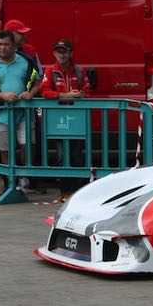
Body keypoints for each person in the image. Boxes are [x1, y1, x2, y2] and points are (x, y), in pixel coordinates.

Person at [0, 31, 41, 171]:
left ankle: (26, 178)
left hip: (25, 114)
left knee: (28, 148)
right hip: (1, 116)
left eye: (6, 44)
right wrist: (2, 95)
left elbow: (37, 81)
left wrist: (30, 93)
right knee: (6, 151)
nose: (2, 48)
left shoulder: (26, 62)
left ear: (14, 46)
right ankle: (9, 180)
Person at [40, 39, 93, 196]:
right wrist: (65, 95)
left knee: (77, 153)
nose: (61, 55)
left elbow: (87, 91)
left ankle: (78, 191)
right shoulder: (50, 71)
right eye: (58, 52)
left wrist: (81, 95)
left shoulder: (79, 71)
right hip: (58, 119)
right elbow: (45, 92)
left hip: (78, 118)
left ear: (71, 53)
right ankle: (65, 191)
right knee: (62, 154)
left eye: (65, 52)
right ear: (54, 53)